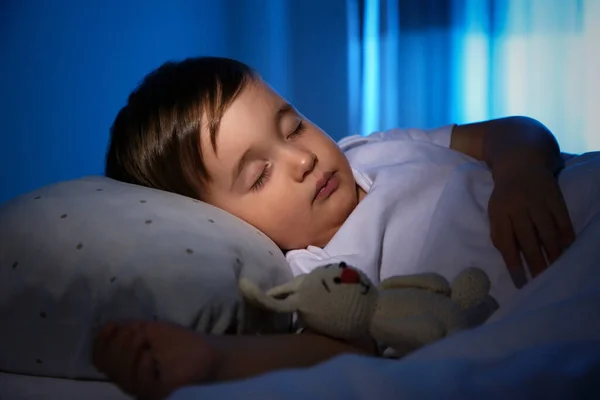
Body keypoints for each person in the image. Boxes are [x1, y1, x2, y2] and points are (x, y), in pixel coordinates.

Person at [95, 56, 580, 399]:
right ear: (222, 222)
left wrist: (520, 172)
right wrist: (213, 358)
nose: (304, 158)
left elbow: (512, 130)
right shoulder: (316, 271)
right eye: (259, 175)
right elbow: (332, 354)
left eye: (294, 127)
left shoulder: (369, 149)